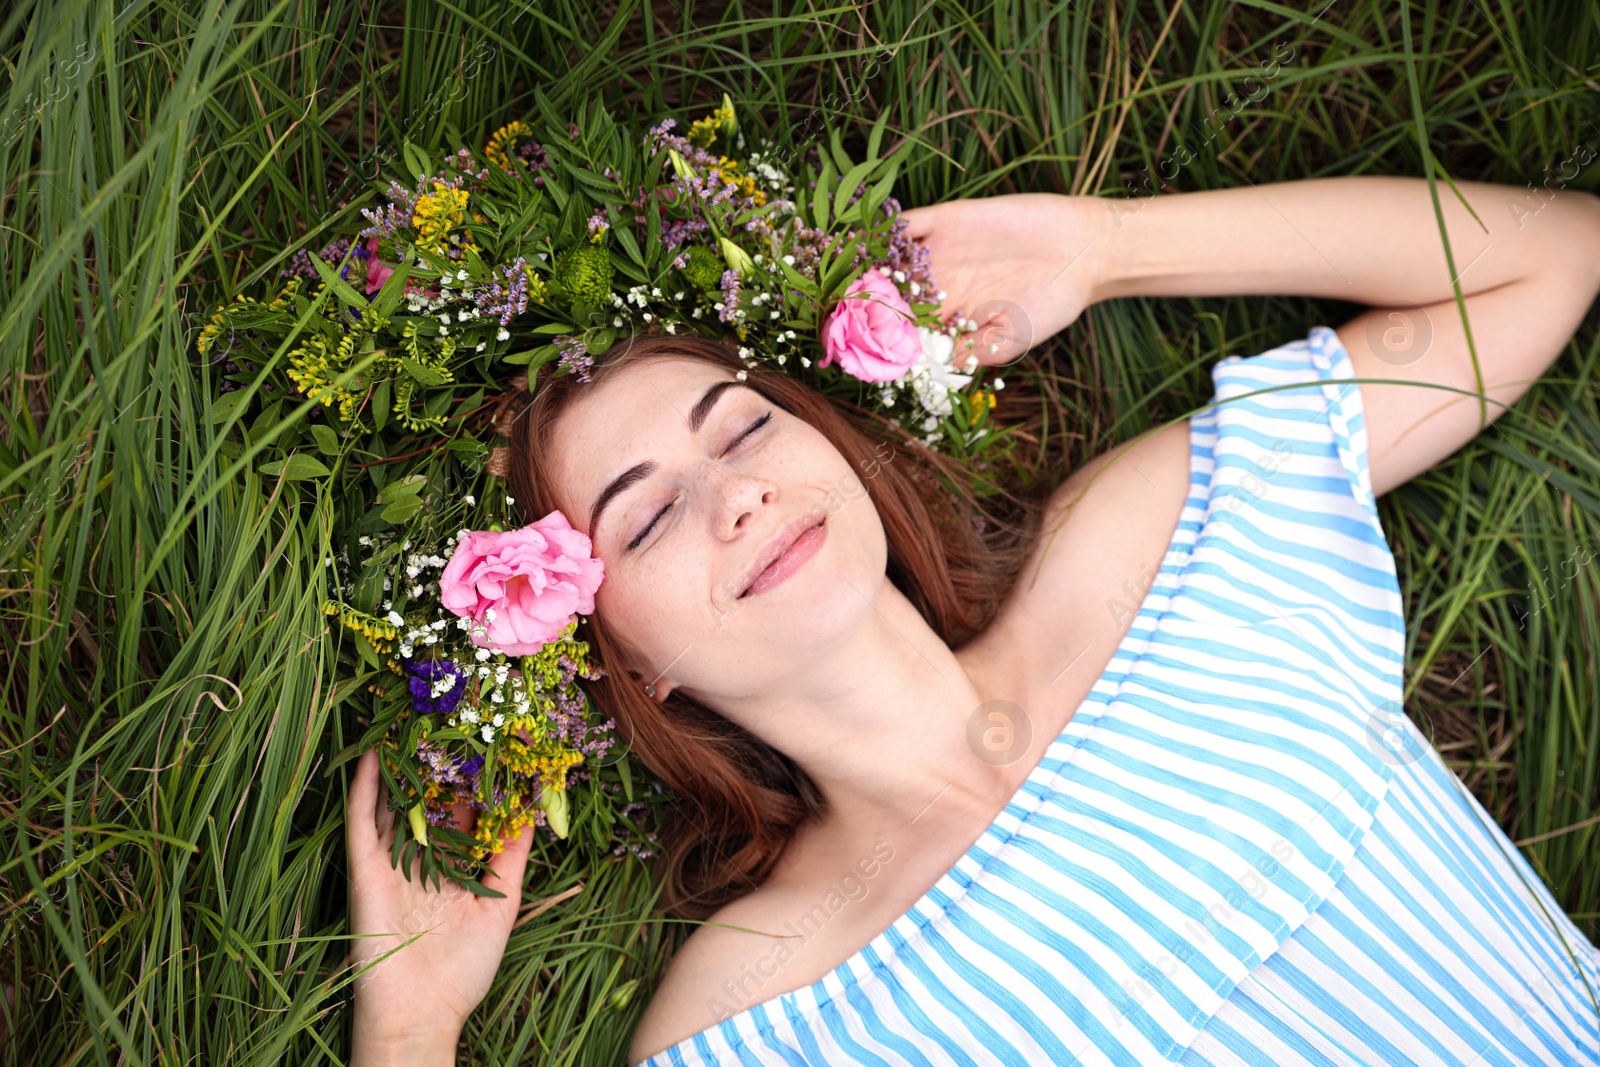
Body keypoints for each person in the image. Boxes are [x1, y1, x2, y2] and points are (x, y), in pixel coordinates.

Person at [346, 176, 1600, 1066]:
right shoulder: (762, 1014)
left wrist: (1105, 248)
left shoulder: (1162, 546)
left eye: (743, 426)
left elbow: (1549, 251)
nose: (736, 497)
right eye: (647, 519)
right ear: (619, 658)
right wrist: (410, 1028)